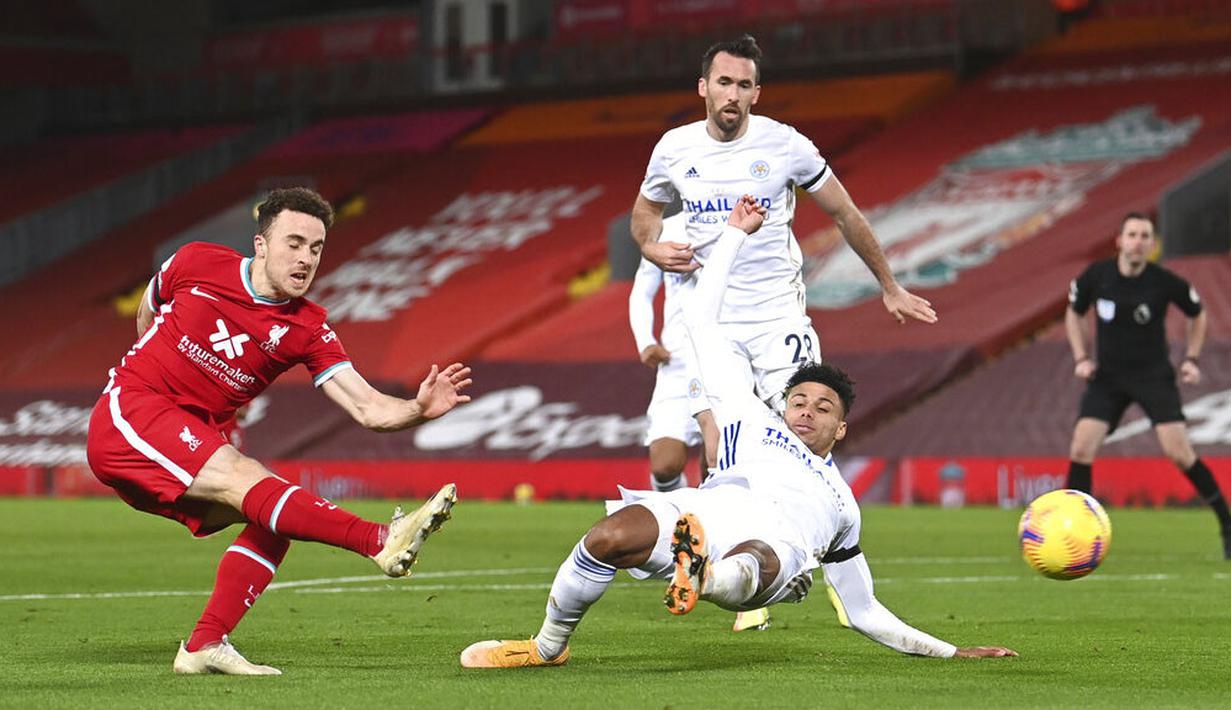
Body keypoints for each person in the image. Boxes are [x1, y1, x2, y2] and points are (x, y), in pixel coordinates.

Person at [459, 196, 1015, 668]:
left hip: (775, 551)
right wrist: (731, 235)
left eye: (822, 408)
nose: (805, 411)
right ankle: (548, 646)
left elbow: (864, 610)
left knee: (755, 559)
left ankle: (703, 575)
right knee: (607, 537)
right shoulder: (751, 417)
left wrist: (951, 652)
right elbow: (700, 321)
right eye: (798, 399)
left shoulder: (842, 504)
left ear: (841, 429)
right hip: (705, 515)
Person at [86, 187, 472, 675]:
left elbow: (369, 408)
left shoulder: (308, 329)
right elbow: (148, 314)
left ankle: (205, 644)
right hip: (131, 414)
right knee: (246, 475)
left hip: (186, 437)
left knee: (274, 517)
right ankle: (378, 539)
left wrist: (417, 409)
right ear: (261, 244)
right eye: (293, 243)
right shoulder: (197, 262)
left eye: (315, 248)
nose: (305, 258)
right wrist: (163, 375)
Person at [629, 34, 935, 468]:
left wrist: (890, 286)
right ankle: (722, 534)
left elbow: (846, 214)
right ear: (703, 87)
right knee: (718, 447)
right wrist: (650, 245)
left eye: (743, 85)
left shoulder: (786, 145)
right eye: (723, 82)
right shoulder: (674, 149)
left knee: (805, 439)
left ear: (757, 93)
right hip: (712, 320)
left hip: (776, 317)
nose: (732, 94)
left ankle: (821, 534)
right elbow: (646, 209)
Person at [628, 213, 770, 632]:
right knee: (665, 463)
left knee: (719, 461)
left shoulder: (740, 225)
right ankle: (677, 538)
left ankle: (735, 565)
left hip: (724, 358)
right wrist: (646, 340)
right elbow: (642, 290)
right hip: (676, 363)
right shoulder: (665, 230)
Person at [1065, 212, 1230, 558]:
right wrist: (1081, 357)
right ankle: (1076, 537)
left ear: (1152, 245)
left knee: (1179, 453)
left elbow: (1197, 314)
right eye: (1132, 234)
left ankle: (1227, 524)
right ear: (1119, 241)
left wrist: (1192, 359)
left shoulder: (1165, 282)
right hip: (1108, 378)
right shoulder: (1098, 276)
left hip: (1154, 376)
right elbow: (1074, 311)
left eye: (1144, 236)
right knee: (1081, 447)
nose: (1138, 241)